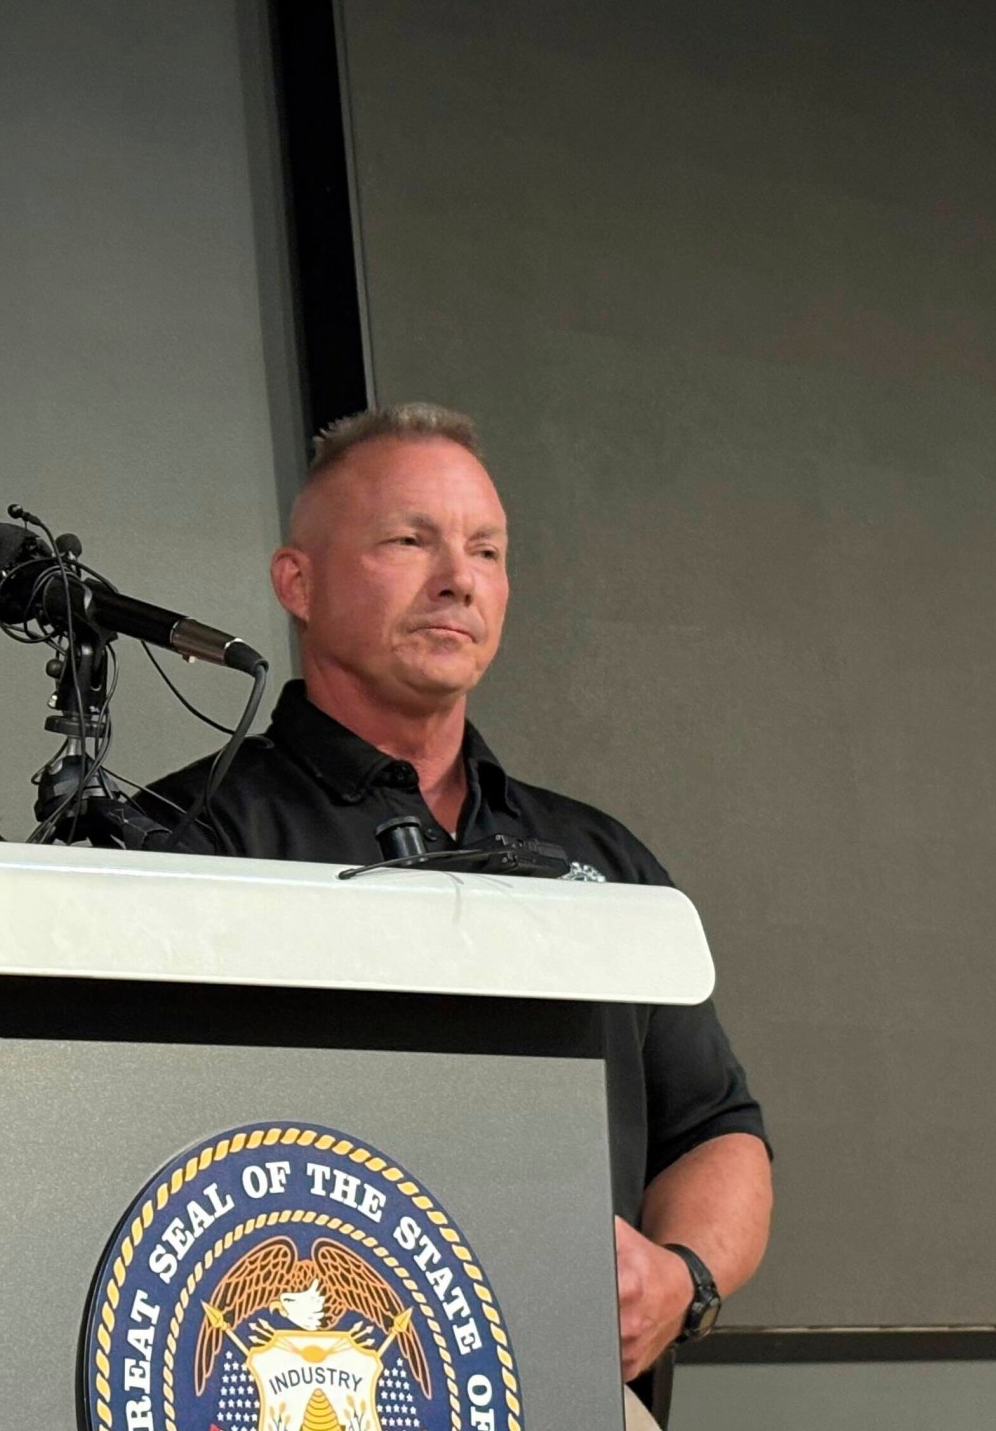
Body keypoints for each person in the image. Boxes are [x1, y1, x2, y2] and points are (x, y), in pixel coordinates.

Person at [148, 403, 771, 1428]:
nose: (458, 579)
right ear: (296, 583)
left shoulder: (599, 859)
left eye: (486, 550)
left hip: (572, 1393)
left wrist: (681, 1279)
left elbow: (715, 1129)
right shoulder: (189, 843)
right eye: (409, 540)